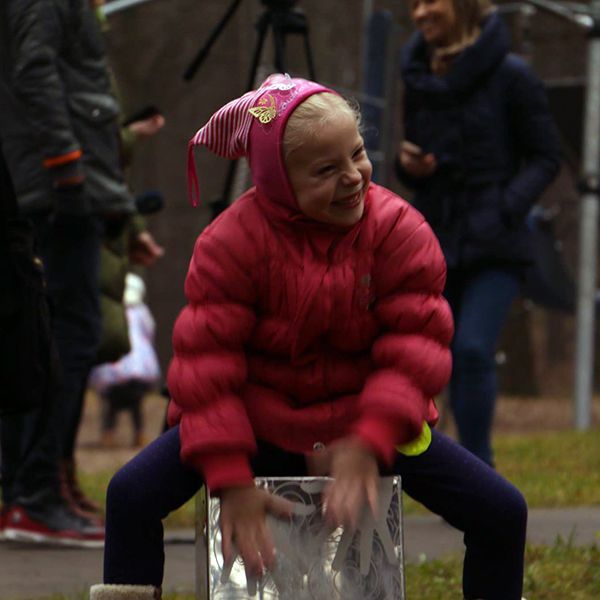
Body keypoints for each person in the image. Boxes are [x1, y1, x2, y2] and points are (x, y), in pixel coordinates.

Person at [90, 74, 528, 600]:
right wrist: (229, 477)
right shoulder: (230, 242)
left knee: (502, 511)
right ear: (278, 183)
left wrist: (371, 440)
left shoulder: (399, 231)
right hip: (257, 423)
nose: (353, 177)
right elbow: (206, 368)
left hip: (363, 425)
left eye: (358, 154)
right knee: (131, 494)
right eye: (325, 170)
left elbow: (416, 348)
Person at [0, 0, 156, 545]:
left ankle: (31, 492)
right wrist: (66, 166)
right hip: (60, 184)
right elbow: (33, 69)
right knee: (67, 333)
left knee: (54, 333)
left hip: (69, 178)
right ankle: (35, 494)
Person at [396, 0, 561, 466]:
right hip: (434, 243)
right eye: (414, 4)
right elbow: (416, 156)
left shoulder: (512, 75)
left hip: (496, 244)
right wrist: (410, 166)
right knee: (421, 359)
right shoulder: (418, 75)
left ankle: (477, 468)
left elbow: (546, 156)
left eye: (431, 2)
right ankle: (417, 471)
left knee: (470, 350)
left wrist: (505, 208)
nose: (420, 14)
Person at [89, 272, 162, 448]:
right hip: (138, 371)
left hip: (113, 372)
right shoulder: (141, 311)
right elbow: (150, 330)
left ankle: (108, 435)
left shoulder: (111, 310)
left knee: (111, 407)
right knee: (136, 405)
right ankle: (139, 434)